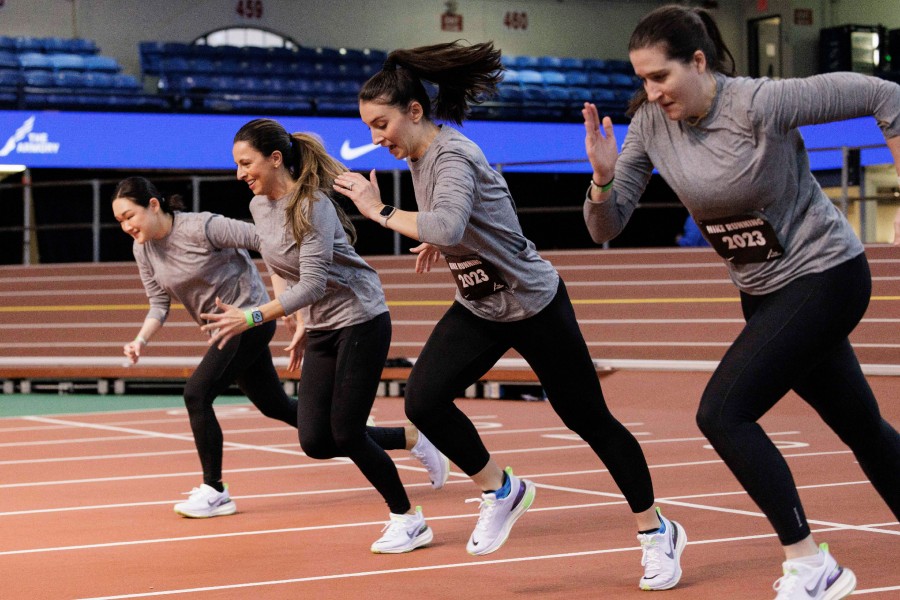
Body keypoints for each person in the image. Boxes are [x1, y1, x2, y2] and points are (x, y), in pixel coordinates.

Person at [336, 40, 686, 590]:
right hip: (480, 305)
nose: (376, 139)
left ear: (414, 111)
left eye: (381, 125)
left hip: (533, 302)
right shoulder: (424, 157)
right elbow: (453, 227)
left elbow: (448, 223)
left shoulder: (451, 156)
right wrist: (438, 240)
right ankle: (501, 489)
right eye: (371, 127)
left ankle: (656, 532)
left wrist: (378, 209)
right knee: (424, 399)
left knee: (588, 420)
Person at [579, 5, 900, 599]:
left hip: (827, 275)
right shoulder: (651, 125)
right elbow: (606, 226)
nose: (650, 92)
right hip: (764, 293)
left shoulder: (760, 103)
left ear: (698, 61)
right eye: (641, 80)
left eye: (660, 77)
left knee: (722, 412)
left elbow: (885, 94)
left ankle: (811, 564)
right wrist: (601, 179)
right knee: (864, 429)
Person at [113, 176, 445, 530]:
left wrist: (283, 306)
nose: (126, 226)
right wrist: (140, 341)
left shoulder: (203, 227)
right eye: (119, 222)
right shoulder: (143, 249)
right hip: (227, 330)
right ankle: (405, 436)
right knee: (280, 409)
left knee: (196, 393)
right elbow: (158, 304)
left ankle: (214, 489)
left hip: (251, 319)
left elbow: (267, 245)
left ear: (152, 205)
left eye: (129, 216)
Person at [197, 120, 448, 554]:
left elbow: (312, 284)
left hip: (361, 320)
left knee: (348, 432)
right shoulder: (260, 207)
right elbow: (279, 266)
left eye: (245, 163)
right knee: (314, 440)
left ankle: (408, 519)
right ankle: (412, 438)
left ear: (275, 159)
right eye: (236, 164)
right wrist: (298, 325)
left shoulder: (313, 205)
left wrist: (254, 317)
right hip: (322, 326)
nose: (239, 173)